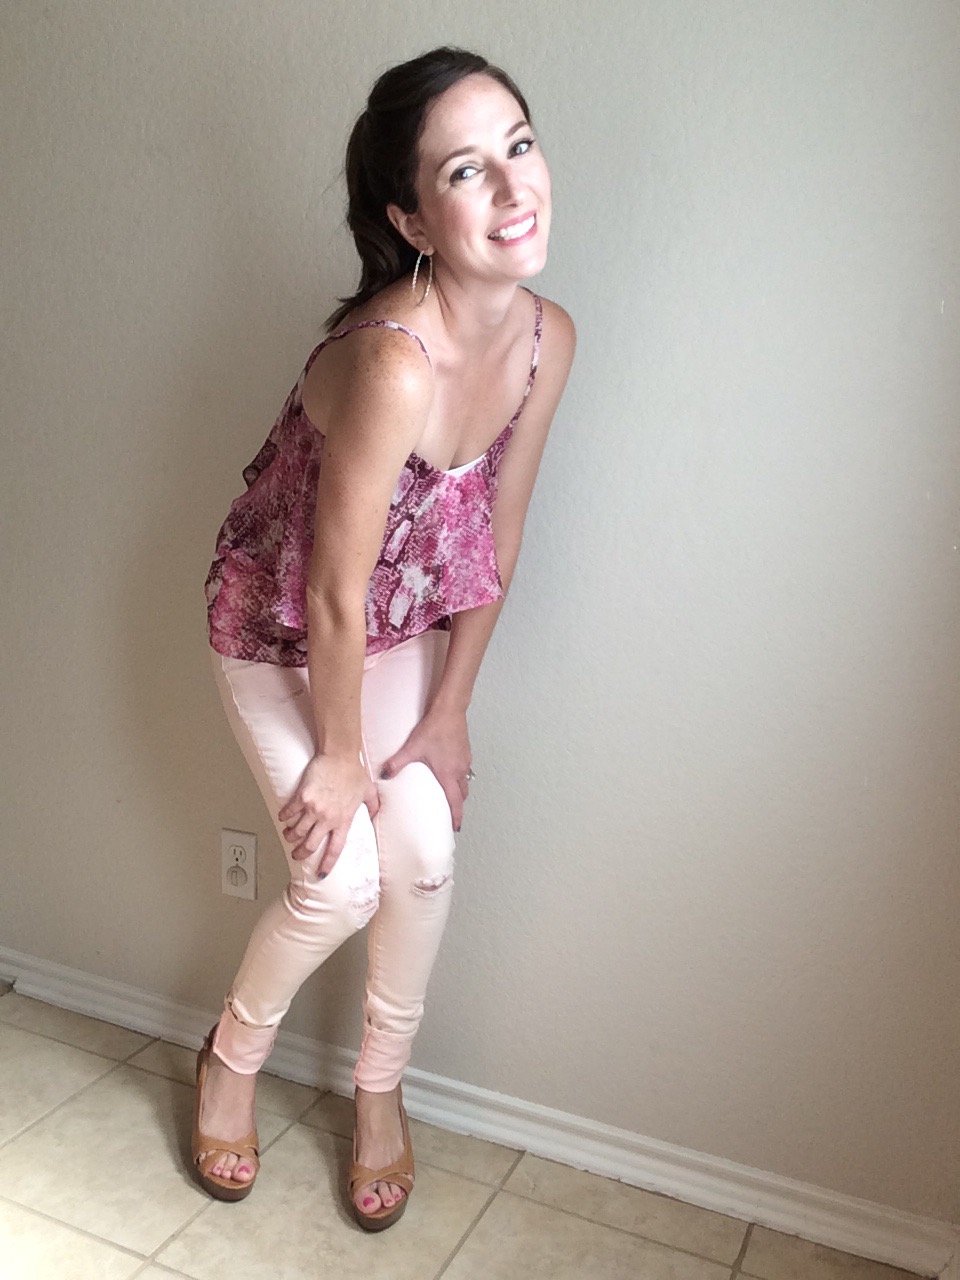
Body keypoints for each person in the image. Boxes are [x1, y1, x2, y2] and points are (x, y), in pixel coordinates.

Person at [193, 44, 576, 1231]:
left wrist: (450, 710)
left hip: (395, 625)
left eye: (519, 146)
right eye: (466, 170)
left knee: (425, 851)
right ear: (411, 219)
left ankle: (379, 1089)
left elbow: (496, 537)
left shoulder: (547, 340)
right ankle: (230, 1058)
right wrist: (341, 751)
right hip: (278, 627)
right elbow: (328, 587)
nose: (513, 187)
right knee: (342, 879)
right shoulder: (392, 361)